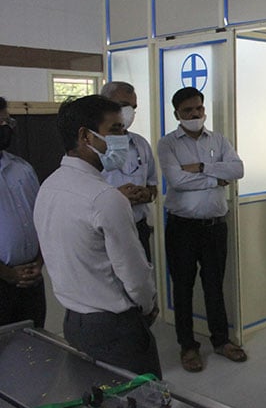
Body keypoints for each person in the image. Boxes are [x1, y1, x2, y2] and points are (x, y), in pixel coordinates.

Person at [33, 95, 161, 377]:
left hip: (74, 322)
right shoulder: (105, 198)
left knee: (95, 395)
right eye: (115, 130)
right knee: (141, 400)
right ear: (85, 136)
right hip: (115, 327)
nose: (123, 139)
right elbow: (134, 274)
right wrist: (147, 305)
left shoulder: (49, 187)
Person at [158, 86, 246, 372]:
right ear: (177, 114)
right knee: (183, 288)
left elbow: (237, 170)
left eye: (198, 108)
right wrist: (215, 177)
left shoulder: (219, 140)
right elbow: (177, 181)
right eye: (188, 111)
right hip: (182, 228)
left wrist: (199, 167)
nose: (195, 114)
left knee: (214, 286)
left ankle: (221, 341)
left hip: (215, 227)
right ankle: (188, 346)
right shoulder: (167, 144)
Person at [0, 96, 46, 329]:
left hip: (32, 278)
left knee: (36, 339)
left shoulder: (22, 168)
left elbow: (42, 219)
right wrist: (8, 273)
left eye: (7, 122)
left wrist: (39, 262)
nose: (5, 128)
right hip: (3, 282)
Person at [100, 82, 157, 261]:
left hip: (138, 228)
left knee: (143, 277)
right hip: (106, 232)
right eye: (123, 105)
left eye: (133, 107)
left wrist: (146, 194)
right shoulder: (92, 146)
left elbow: (153, 185)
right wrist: (117, 198)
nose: (129, 112)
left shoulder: (141, 144)